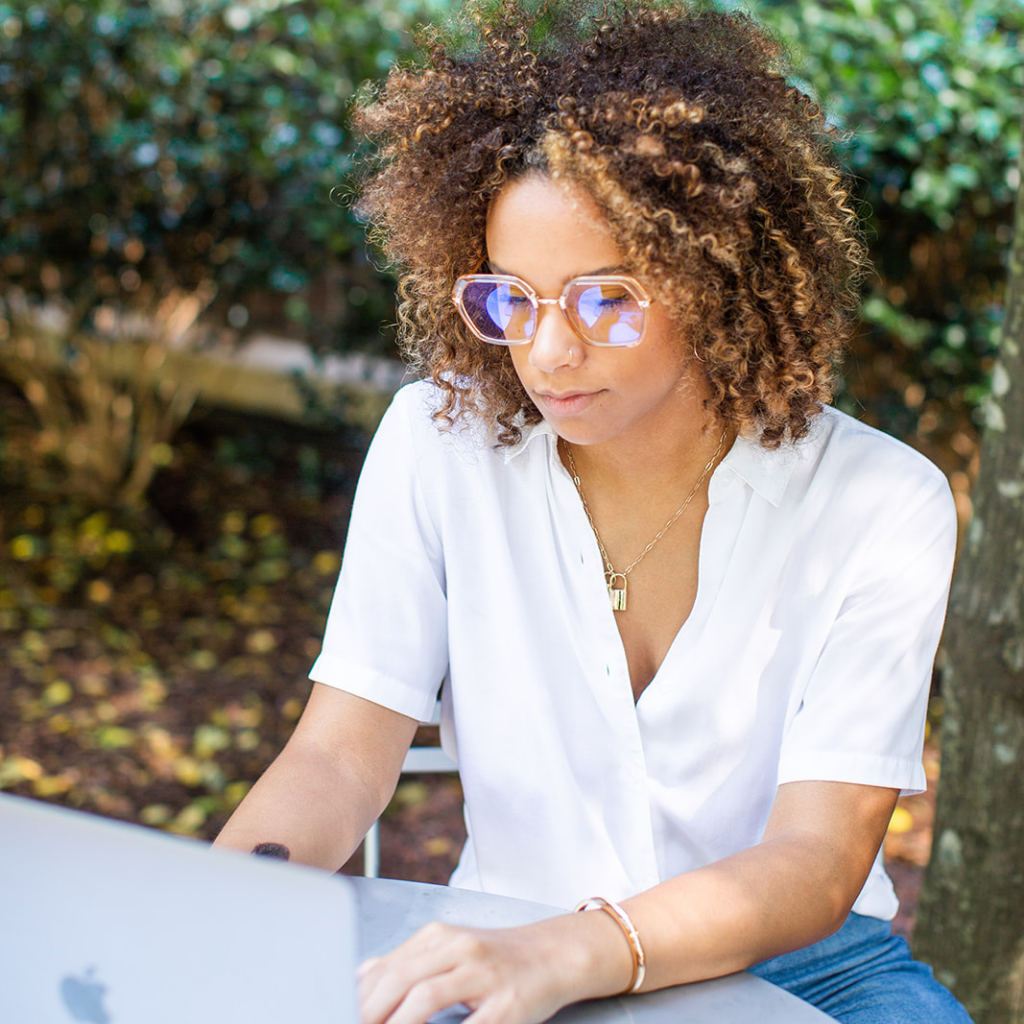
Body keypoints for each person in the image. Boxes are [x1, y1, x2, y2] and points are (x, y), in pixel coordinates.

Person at [215, 3, 972, 1022]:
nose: (546, 354)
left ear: (713, 279)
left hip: (800, 963)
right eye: (509, 299)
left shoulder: (881, 502)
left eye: (603, 297)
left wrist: (575, 953)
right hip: (506, 935)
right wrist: (210, 915)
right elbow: (338, 755)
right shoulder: (436, 445)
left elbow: (817, 858)